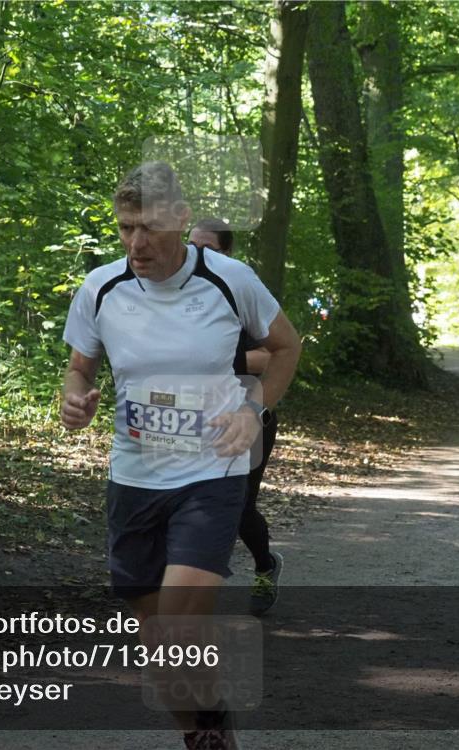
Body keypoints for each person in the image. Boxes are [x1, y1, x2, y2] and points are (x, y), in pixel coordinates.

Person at [61, 162, 302, 749]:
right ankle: (208, 730)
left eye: (147, 228)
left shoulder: (229, 279)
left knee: (178, 624)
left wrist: (254, 410)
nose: (136, 243)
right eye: (124, 229)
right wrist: (75, 400)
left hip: (210, 472)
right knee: (161, 653)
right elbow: (78, 368)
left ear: (181, 219)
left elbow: (286, 346)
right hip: (135, 476)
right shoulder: (101, 288)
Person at [188, 218, 283, 617]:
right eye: (192, 245)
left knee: (238, 506)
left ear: (226, 253)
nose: (198, 255)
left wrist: (217, 359)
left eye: (208, 248)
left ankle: (265, 566)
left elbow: (269, 356)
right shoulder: (177, 293)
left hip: (247, 411)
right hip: (195, 414)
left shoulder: (241, 290)